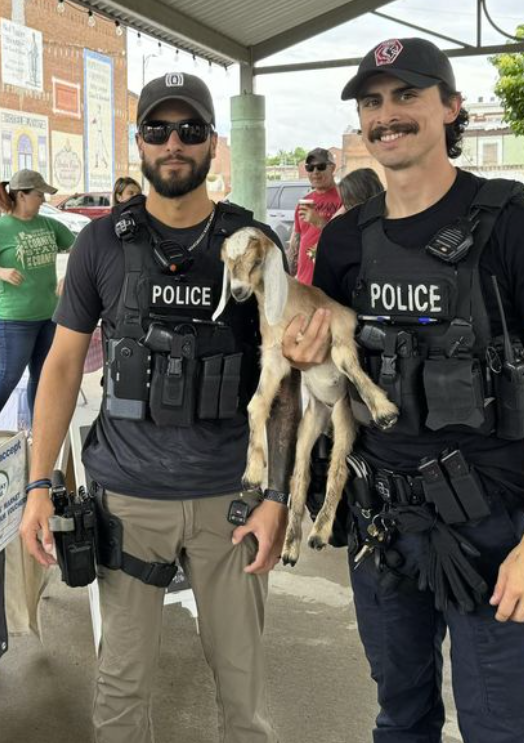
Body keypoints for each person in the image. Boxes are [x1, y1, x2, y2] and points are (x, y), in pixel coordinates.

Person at [283, 38, 524, 743]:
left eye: (407, 95)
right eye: (372, 101)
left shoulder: (517, 226)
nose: (386, 115)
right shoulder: (346, 241)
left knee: (500, 727)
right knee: (400, 716)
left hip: (492, 525)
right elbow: (331, 383)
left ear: (451, 107)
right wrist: (304, 359)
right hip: (382, 522)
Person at [20, 73, 299, 743]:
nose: (174, 143)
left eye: (190, 130)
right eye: (158, 129)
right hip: (128, 501)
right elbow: (62, 366)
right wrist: (38, 484)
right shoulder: (101, 243)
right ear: (140, 142)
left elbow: (284, 374)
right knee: (120, 690)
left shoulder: (253, 243)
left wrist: (279, 495)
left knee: (243, 691)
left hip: (231, 498)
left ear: (212, 143)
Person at [0, 170, 74, 423]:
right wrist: (2, 272)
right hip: (15, 319)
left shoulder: (49, 224)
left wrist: (70, 276)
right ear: (21, 195)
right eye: (39, 194)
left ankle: (37, 432)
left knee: (43, 378)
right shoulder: (3, 227)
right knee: (7, 377)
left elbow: (81, 249)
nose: (43, 200)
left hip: (50, 315)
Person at [288, 147, 342, 283]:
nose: (315, 172)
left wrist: (319, 222)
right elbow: (296, 242)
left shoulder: (345, 198)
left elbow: (348, 239)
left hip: (332, 283)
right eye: (310, 168)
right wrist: (289, 276)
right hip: (304, 282)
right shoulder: (304, 202)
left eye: (321, 166)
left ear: (332, 168)